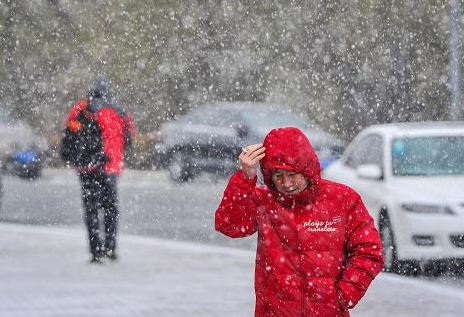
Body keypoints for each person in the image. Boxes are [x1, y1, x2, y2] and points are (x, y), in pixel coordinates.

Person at [215, 127, 383, 316]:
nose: (286, 184)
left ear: (307, 169)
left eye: (292, 174)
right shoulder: (263, 200)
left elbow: (369, 251)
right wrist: (245, 178)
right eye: (278, 176)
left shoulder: (343, 199)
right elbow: (229, 225)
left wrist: (342, 296)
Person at [64, 79, 135, 263]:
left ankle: (95, 250)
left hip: (88, 167)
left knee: (91, 209)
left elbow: (70, 133)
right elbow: (129, 140)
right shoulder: (119, 112)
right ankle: (111, 247)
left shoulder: (83, 109)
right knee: (110, 208)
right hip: (111, 167)